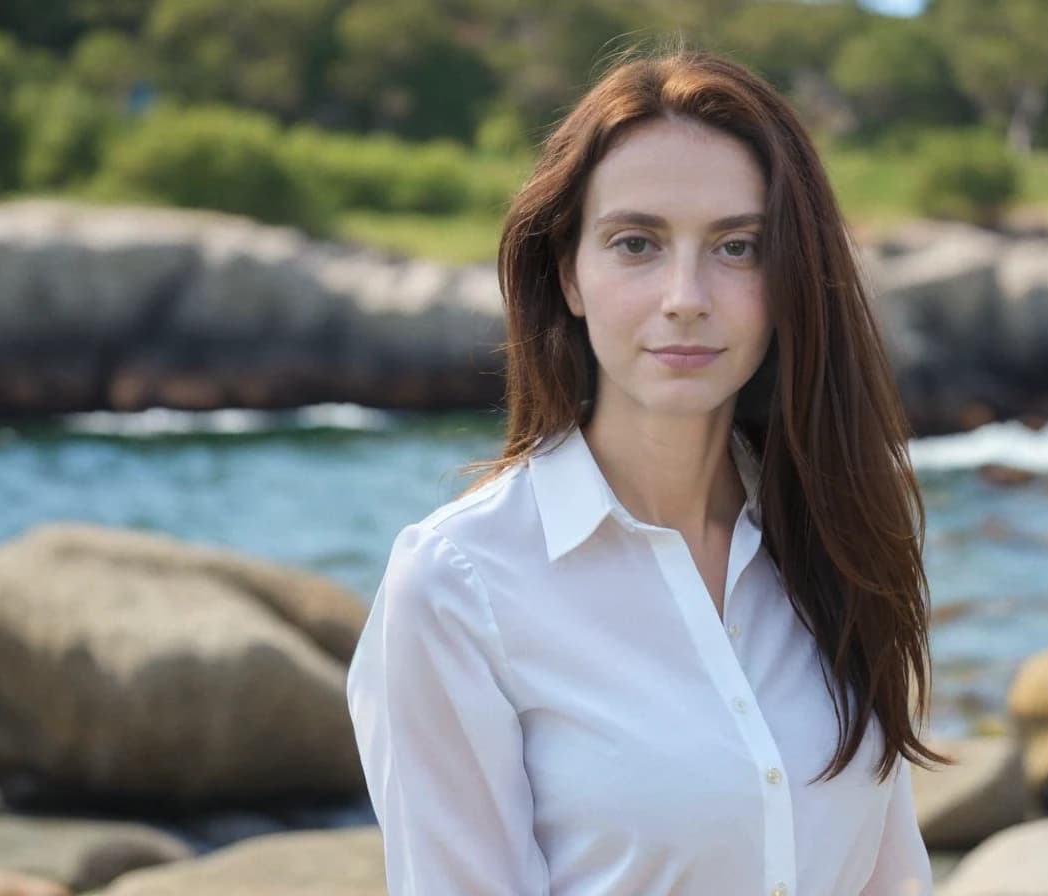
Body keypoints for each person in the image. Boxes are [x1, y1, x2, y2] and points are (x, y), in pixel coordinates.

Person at [346, 43, 951, 896]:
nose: (686, 295)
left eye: (738, 247)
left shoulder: (841, 535)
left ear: (790, 278)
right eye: (637, 243)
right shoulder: (457, 587)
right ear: (569, 274)